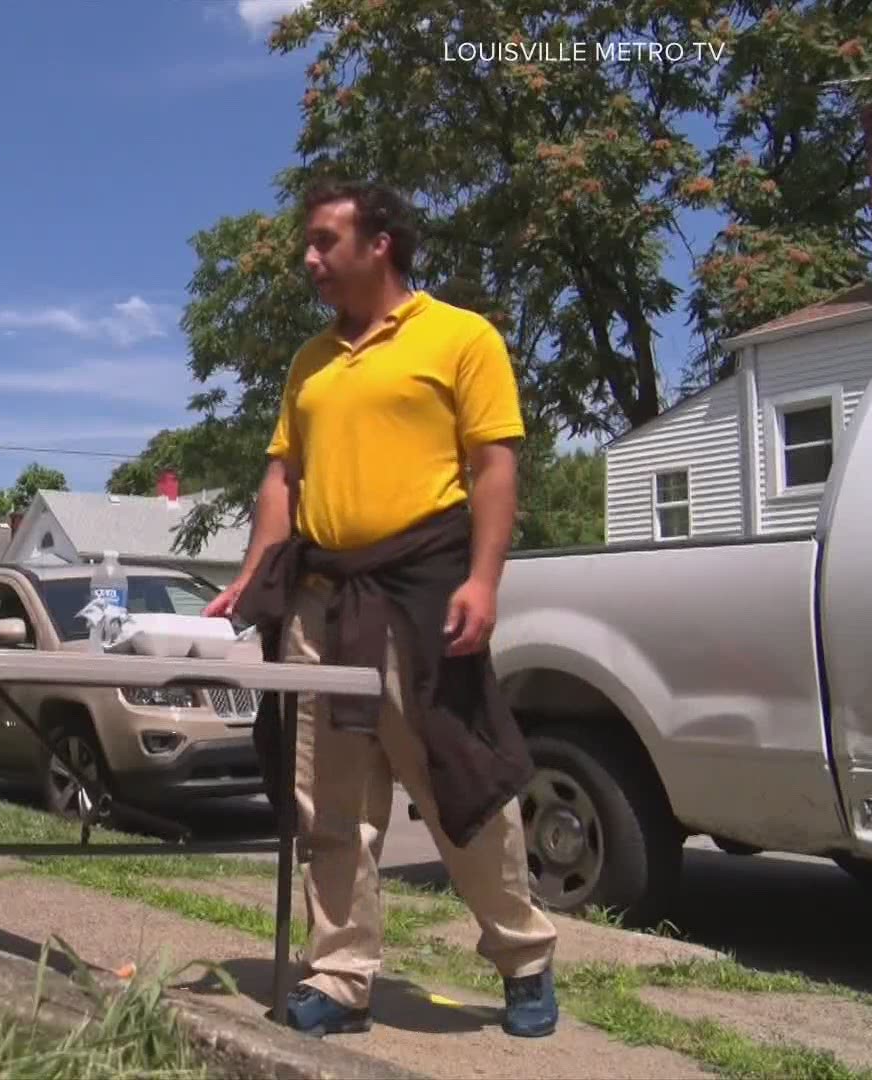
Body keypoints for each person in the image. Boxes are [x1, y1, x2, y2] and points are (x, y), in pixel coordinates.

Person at [204, 178, 559, 1039]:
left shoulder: (461, 338)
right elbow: (283, 476)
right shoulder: (310, 362)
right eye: (309, 243)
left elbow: (494, 467)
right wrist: (255, 573)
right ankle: (342, 972)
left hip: (422, 594)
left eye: (325, 241)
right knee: (329, 801)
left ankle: (525, 955)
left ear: (381, 243)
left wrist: (484, 581)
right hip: (322, 604)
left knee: (460, 781)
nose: (309, 259)